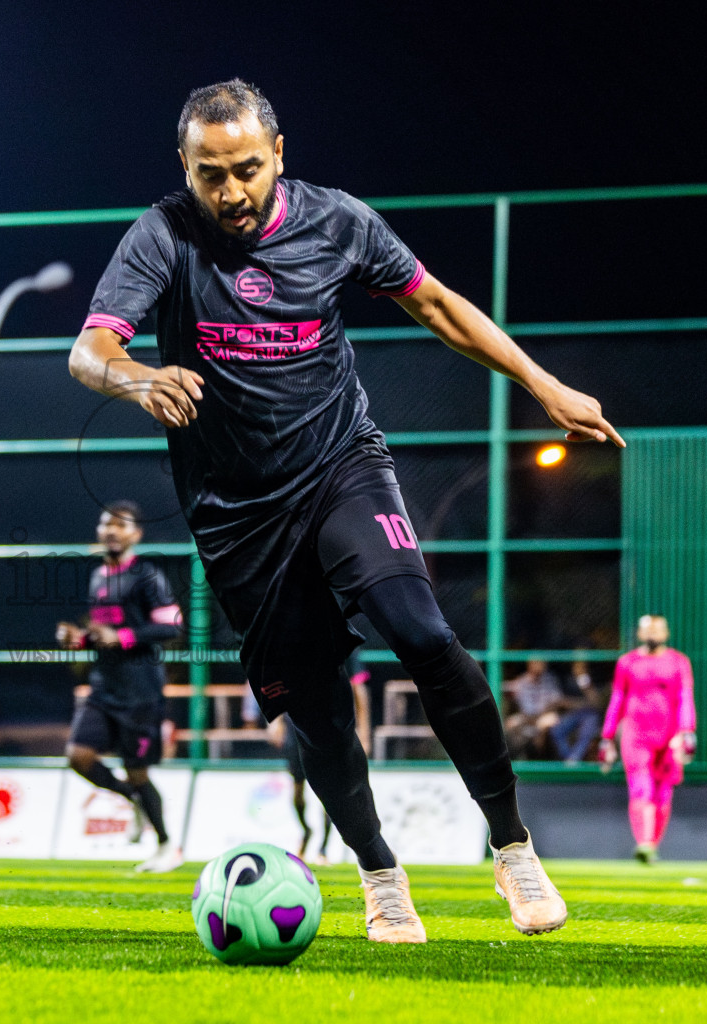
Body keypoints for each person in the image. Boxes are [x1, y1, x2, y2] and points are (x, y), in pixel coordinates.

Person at [69, 80, 624, 940]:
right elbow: (91, 349)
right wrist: (136, 377)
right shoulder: (164, 233)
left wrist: (543, 385)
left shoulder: (339, 222)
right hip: (238, 516)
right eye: (209, 174)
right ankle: (378, 874)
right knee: (318, 706)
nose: (230, 192)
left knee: (425, 632)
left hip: (341, 466)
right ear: (185, 167)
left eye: (247, 169)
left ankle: (511, 847)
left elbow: (434, 304)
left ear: (279, 154)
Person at [55, 501, 184, 872]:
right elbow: (102, 636)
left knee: (138, 771)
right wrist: (79, 639)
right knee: (78, 757)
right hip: (103, 687)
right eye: (106, 524)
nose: (111, 530)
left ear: (135, 534)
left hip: (140, 690)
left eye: (120, 525)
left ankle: (166, 846)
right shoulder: (99, 577)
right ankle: (135, 802)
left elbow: (171, 626)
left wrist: (124, 636)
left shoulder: (148, 576)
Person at [246, 650, 372, 863]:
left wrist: (365, 733)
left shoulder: (341, 639)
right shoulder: (291, 638)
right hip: (296, 725)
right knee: (297, 791)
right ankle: (306, 831)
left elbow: (359, 688)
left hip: (332, 724)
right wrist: (274, 719)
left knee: (330, 791)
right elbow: (276, 683)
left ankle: (323, 847)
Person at [599, 615, 696, 862]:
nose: (653, 634)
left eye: (657, 630)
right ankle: (643, 842)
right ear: (640, 634)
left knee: (663, 793)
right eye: (648, 630)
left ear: (666, 633)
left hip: (669, 737)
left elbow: (685, 698)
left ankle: (652, 844)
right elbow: (617, 699)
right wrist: (607, 736)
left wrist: (687, 732)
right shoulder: (627, 662)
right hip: (636, 735)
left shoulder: (679, 662)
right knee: (641, 788)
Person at [503, 659, 565, 759]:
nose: (540, 666)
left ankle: (538, 757)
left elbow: (557, 701)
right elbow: (505, 690)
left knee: (547, 722)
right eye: (537, 663)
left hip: (543, 716)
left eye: (542, 663)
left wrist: (540, 715)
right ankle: (514, 758)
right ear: (530, 665)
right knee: (511, 723)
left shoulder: (550, 680)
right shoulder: (521, 681)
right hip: (526, 717)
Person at [550, 660, 604, 765]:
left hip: (591, 714)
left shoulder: (592, 678)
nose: (578, 668)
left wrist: (582, 678)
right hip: (573, 713)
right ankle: (569, 759)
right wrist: (581, 704)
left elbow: (596, 703)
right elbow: (562, 702)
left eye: (582, 666)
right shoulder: (566, 677)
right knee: (557, 730)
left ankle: (574, 759)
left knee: (588, 728)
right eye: (576, 665)